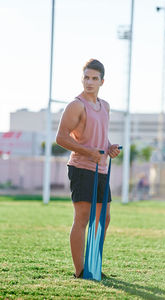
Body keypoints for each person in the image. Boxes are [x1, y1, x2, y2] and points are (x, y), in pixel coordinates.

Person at [56, 59, 120, 278]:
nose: (89, 82)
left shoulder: (105, 106)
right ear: (81, 78)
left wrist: (108, 146)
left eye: (94, 78)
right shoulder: (76, 105)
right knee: (82, 219)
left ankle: (94, 263)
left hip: (101, 168)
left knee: (104, 219)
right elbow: (61, 138)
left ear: (102, 81)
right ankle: (80, 270)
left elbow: (99, 135)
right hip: (81, 168)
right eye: (86, 77)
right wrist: (88, 152)